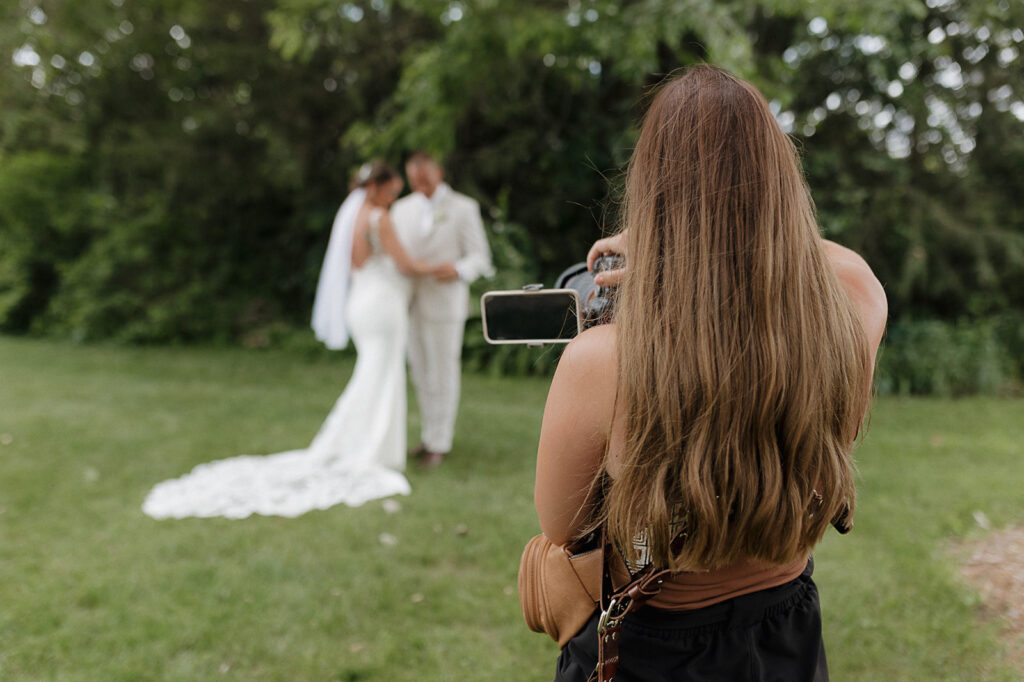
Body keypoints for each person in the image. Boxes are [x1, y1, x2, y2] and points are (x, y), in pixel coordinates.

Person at [533, 65, 887, 680]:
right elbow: (821, 257)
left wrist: (673, 249)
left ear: (651, 192)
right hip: (788, 629)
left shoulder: (602, 361)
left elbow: (560, 528)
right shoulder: (852, 297)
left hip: (654, 647)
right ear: (782, 179)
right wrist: (712, 246)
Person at [143, 161, 441, 519]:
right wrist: (444, 267)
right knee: (381, 374)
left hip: (360, 303)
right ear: (376, 188)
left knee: (372, 374)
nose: (393, 199)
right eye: (392, 192)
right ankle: (372, 449)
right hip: (380, 305)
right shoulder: (377, 217)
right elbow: (405, 264)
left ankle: (366, 444)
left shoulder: (351, 215)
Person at [390, 152, 493, 468]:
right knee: (420, 372)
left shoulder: (463, 208)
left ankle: (440, 442)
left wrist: (459, 270)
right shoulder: (401, 209)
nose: (420, 185)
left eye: (426, 179)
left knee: (443, 372)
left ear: (439, 173)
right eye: (414, 180)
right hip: (410, 303)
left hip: (445, 303)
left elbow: (481, 258)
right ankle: (427, 436)